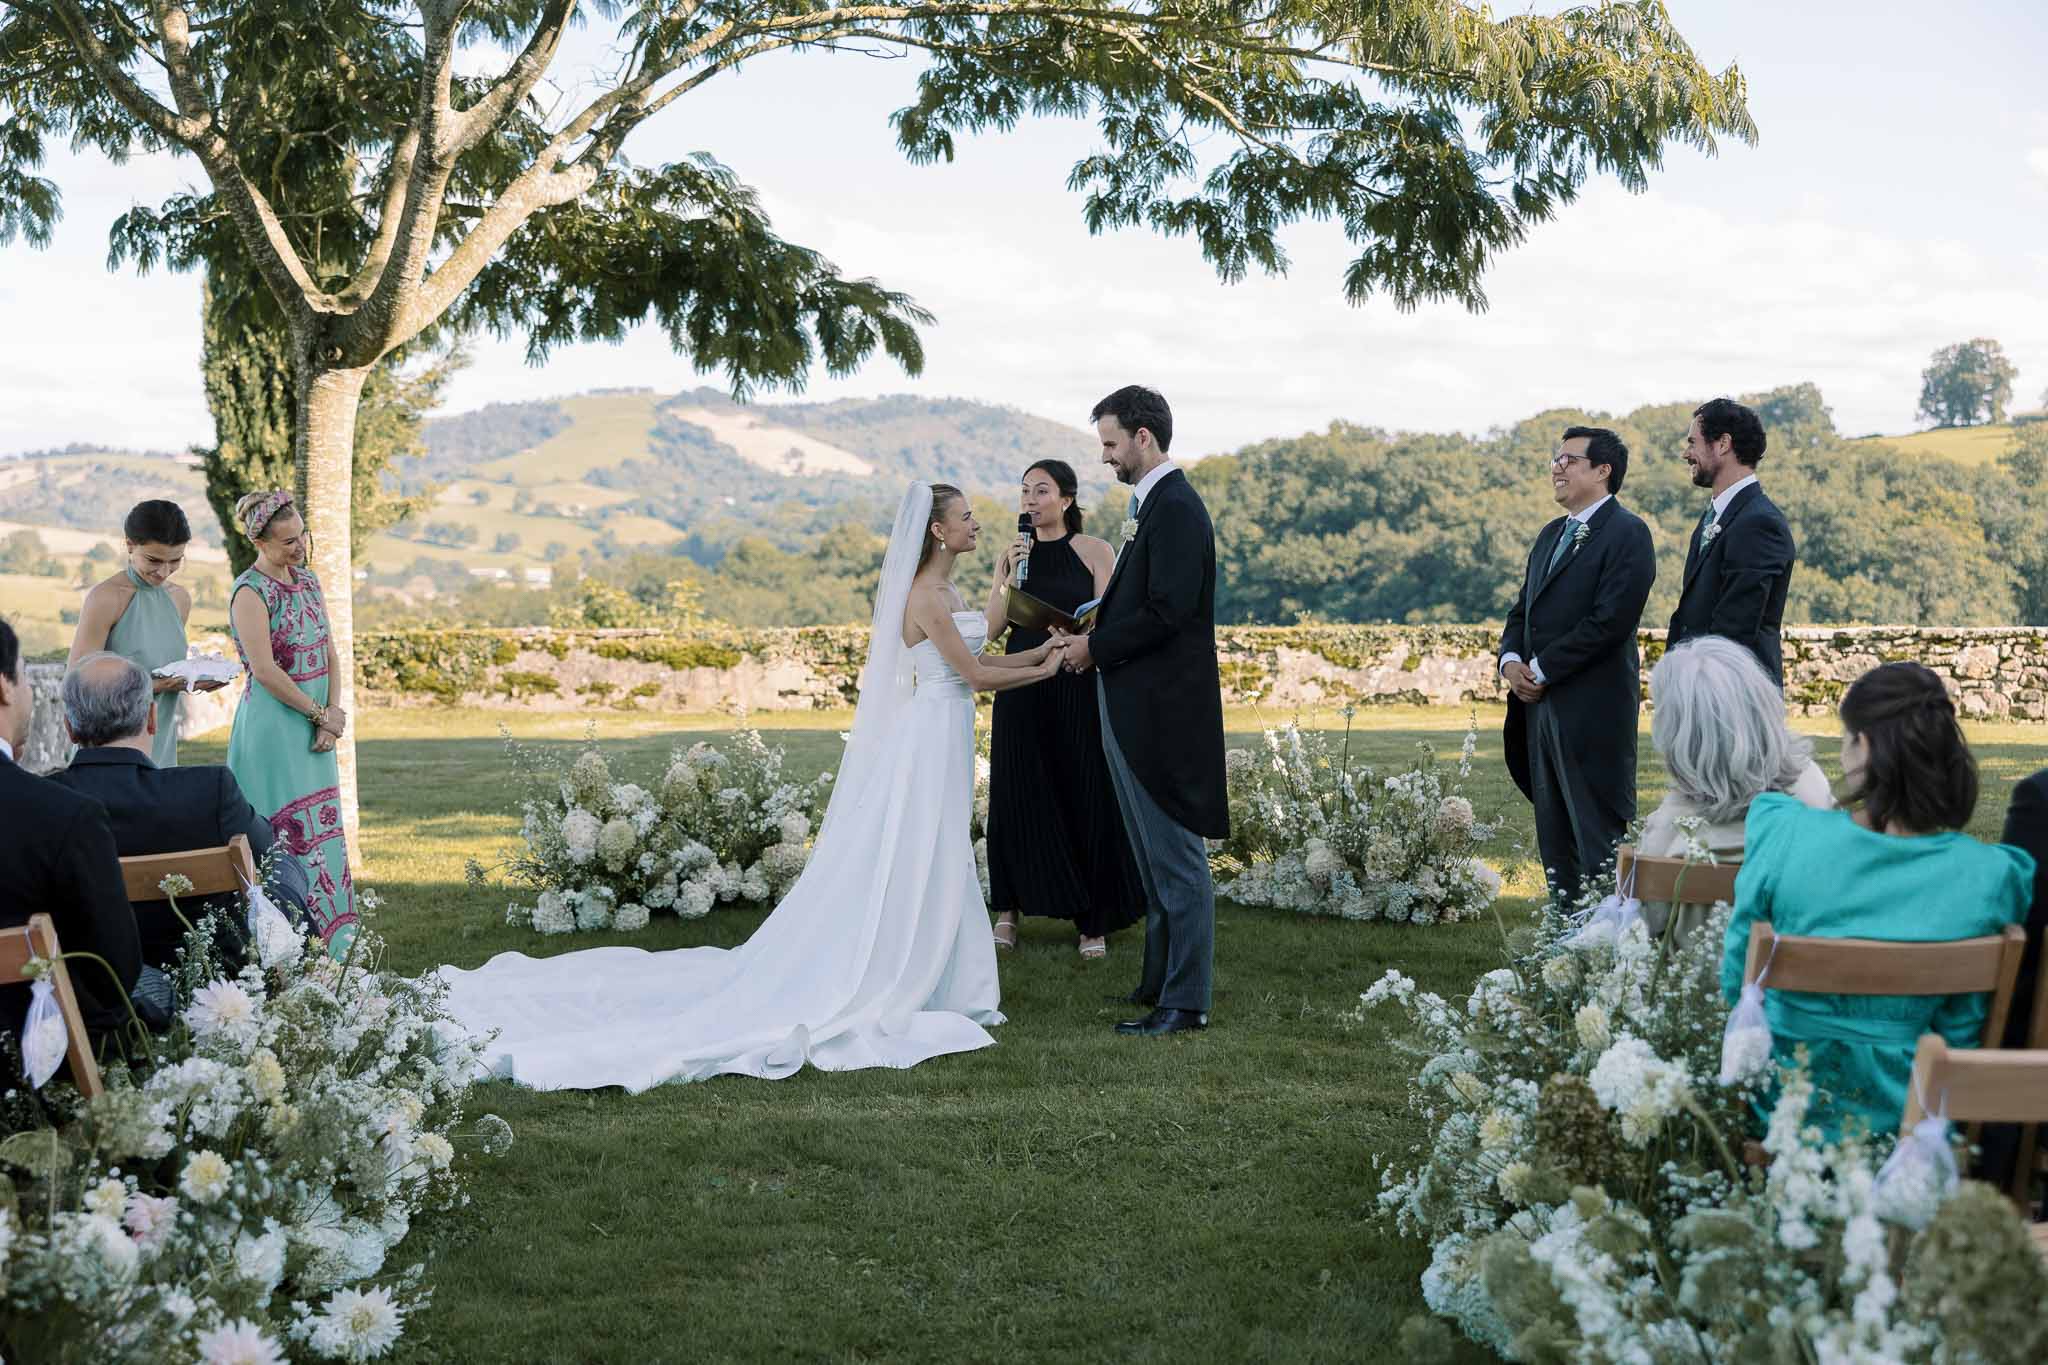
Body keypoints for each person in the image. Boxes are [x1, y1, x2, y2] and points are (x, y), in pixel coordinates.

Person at [437, 483, 1065, 1091]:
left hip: (944, 729)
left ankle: (941, 976)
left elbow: (984, 648)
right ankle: (902, 969)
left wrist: (1032, 637)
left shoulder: (948, 587)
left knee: (940, 847)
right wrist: (1053, 665)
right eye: (966, 515)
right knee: (922, 848)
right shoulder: (923, 596)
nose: (977, 523)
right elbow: (976, 676)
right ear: (938, 529)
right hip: (929, 736)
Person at [1719, 662, 2034, 1141]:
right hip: (1914, 1122)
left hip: (1784, 1117)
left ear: (1863, 746)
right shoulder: (1993, 875)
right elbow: (1964, 1029)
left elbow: (1735, 982)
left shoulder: (1782, 830)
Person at [1056, 386, 1228, 1037]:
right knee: (1151, 857)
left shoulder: (1178, 507)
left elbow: (1169, 610)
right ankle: (1158, 982)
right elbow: (1142, 601)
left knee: (1177, 856)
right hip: (1130, 699)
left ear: (1143, 438)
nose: (1104, 457)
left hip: (1161, 709)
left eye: (1110, 443)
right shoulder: (1148, 504)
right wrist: (1098, 620)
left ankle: (1187, 1002)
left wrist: (1095, 646)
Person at [49, 653, 311, 972]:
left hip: (90, 985)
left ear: (69, 728)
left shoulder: (43, 800)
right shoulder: (208, 790)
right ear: (151, 719)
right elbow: (265, 849)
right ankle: (318, 976)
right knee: (282, 862)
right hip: (212, 980)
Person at [985, 458, 1143, 959]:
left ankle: (1092, 919)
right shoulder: (1014, 555)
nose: (1030, 500)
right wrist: (1003, 577)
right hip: (1021, 682)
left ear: (1067, 500)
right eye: (1025, 491)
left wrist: (1084, 638)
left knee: (1084, 787)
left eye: (1042, 491)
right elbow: (992, 629)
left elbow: (1112, 617)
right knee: (1015, 790)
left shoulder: (1095, 551)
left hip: (1076, 677)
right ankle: (1008, 909)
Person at [1499, 427, 1657, 905]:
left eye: (1569, 459)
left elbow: (1611, 620)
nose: (1557, 467)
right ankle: (1562, 939)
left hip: (1592, 712)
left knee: (1598, 838)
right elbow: (1521, 610)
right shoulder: (1550, 535)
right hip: (1538, 711)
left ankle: (1610, 941)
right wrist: (1510, 663)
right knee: (1554, 836)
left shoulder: (1629, 533)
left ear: (1603, 471)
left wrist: (1542, 669)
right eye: (1556, 458)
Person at [225, 490, 356, 955]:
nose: (299, 547)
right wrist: (318, 713)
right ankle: (286, 954)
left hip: (315, 727)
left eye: (302, 536)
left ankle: (337, 949)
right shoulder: (249, 592)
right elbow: (264, 671)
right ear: (260, 543)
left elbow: (329, 652)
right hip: (274, 733)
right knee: (283, 841)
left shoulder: (309, 581)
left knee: (323, 835)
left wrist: (333, 715)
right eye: (287, 542)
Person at [0, 617, 142, 1041]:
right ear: (3, 687)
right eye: (24, 676)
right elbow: (115, 975)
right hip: (30, 1067)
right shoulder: (63, 817)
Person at [1635, 636, 1832, 938]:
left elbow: (1642, 929)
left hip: (1703, 982)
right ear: (1762, 704)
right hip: (1805, 971)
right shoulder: (1813, 788)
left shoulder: (1668, 836)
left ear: (1677, 739)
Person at [69, 499, 227, 768]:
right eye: (153, 560)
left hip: (162, 739)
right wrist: (160, 686)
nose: (164, 572)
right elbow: (77, 685)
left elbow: (167, 666)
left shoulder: (179, 599)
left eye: (175, 561)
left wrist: (194, 678)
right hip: (110, 752)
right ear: (130, 545)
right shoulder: (105, 597)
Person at [1667, 398, 1796, 683]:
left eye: (1693, 442)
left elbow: (1735, 627)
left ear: (1723, 444)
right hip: (1698, 688)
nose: (1686, 454)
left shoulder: (1759, 523)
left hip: (1732, 694)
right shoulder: (1716, 515)